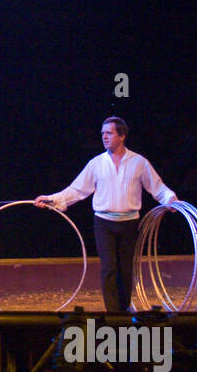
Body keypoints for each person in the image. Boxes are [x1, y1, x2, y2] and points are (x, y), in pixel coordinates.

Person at [34, 116, 178, 312]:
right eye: (102, 133)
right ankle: (113, 312)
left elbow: (157, 187)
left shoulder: (139, 162)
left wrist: (170, 200)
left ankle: (124, 308)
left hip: (129, 223)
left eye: (109, 133)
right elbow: (77, 190)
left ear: (122, 136)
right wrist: (51, 199)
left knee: (126, 269)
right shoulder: (97, 163)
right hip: (104, 223)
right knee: (109, 268)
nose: (104, 137)